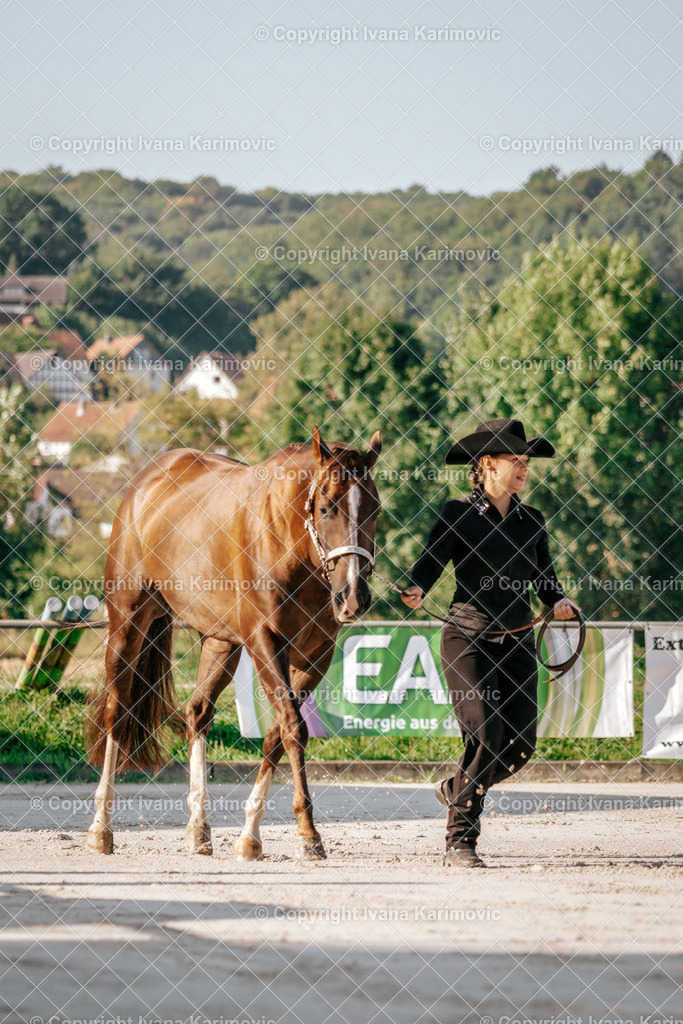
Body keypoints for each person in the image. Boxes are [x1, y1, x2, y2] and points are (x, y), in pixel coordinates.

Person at [401, 418, 580, 869]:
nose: (524, 468)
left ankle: (455, 788)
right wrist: (416, 588)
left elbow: (546, 582)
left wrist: (559, 602)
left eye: (526, 462)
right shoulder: (456, 514)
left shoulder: (531, 521)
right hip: (468, 637)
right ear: (486, 465)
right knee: (486, 733)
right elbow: (428, 564)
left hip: (518, 640)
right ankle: (460, 840)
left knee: (520, 747)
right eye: (515, 461)